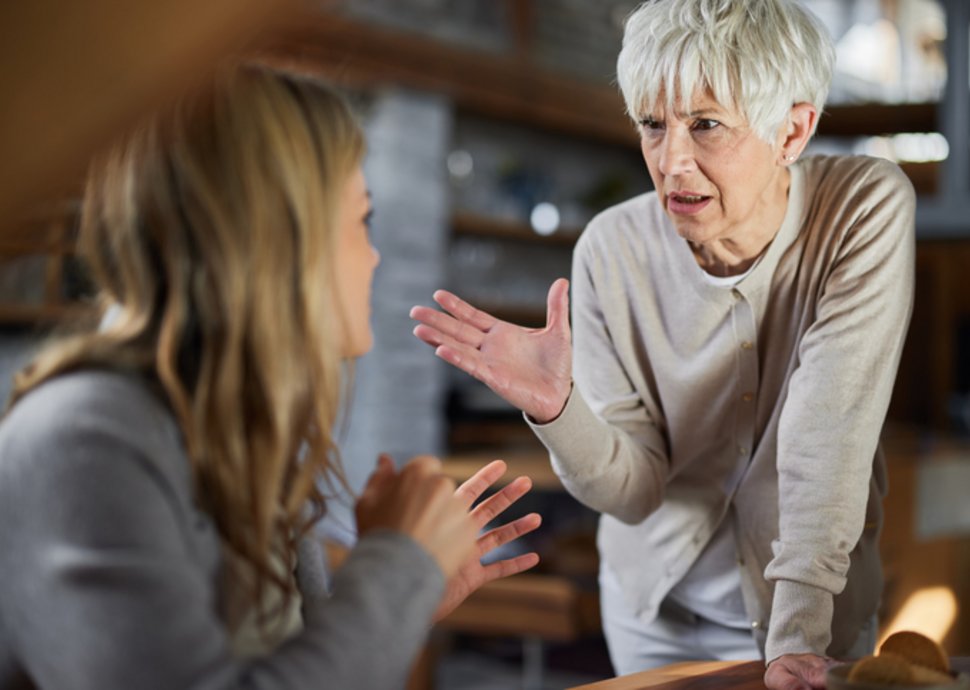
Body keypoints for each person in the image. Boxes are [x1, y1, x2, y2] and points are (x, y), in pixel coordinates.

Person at [410, 0, 915, 688]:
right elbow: (634, 490)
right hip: (656, 618)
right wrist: (560, 411)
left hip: (814, 611)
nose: (671, 160)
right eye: (653, 125)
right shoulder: (610, 250)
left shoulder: (862, 208)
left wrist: (796, 635)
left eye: (706, 125)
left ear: (793, 130)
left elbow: (829, 431)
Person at [0, 64, 541, 690]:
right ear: (279, 239)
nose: (375, 256)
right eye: (362, 221)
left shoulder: (237, 433)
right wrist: (397, 568)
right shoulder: (87, 441)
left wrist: (402, 601)